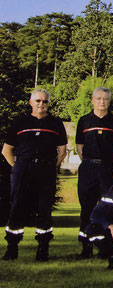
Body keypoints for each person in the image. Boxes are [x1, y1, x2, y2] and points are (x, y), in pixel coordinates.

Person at [1, 89, 67, 261]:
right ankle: (12, 248)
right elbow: (6, 150)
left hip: (46, 170)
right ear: (31, 102)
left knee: (45, 210)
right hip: (23, 169)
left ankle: (43, 250)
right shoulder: (20, 122)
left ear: (48, 104)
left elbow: (61, 151)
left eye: (45, 101)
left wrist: (51, 167)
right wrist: (17, 167)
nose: (41, 104)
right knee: (17, 208)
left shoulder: (55, 123)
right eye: (38, 101)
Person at [76, 87, 113, 258]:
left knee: (108, 208)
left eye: (105, 99)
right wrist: (90, 162)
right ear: (92, 100)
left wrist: (109, 164)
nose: (102, 102)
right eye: (98, 98)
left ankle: (107, 247)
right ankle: (86, 246)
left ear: (109, 102)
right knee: (86, 207)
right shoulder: (84, 121)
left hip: (107, 168)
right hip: (89, 168)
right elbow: (80, 147)